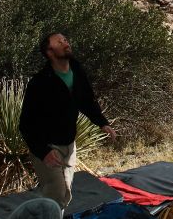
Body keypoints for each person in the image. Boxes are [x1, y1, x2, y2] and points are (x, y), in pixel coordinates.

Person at [19, 32, 116, 209]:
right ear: (49, 52)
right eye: (59, 41)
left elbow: (86, 101)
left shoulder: (77, 70)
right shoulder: (40, 82)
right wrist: (43, 151)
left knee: (66, 194)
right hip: (48, 147)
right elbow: (25, 123)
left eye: (65, 39)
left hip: (69, 145)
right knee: (54, 195)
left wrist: (102, 122)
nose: (65, 43)